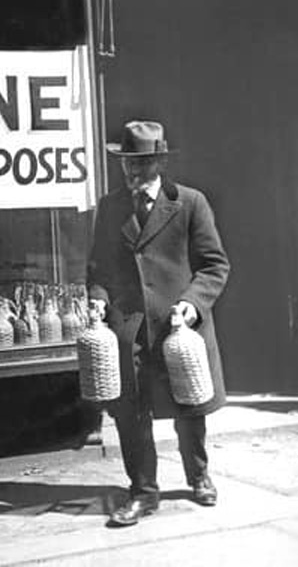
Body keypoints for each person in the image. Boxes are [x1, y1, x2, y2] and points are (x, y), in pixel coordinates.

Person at [87, 120, 230, 527]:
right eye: (126, 163)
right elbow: (98, 269)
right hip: (130, 328)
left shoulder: (190, 202)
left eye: (142, 162)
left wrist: (191, 304)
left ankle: (198, 475)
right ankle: (142, 492)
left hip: (179, 325)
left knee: (189, 406)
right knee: (130, 412)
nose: (131, 171)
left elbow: (215, 266)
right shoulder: (111, 207)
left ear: (160, 162)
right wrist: (98, 302)